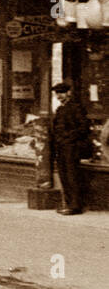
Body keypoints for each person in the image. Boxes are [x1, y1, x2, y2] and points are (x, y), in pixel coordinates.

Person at [51, 81, 93, 215]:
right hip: (61, 147)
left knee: (72, 176)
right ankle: (68, 204)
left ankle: (75, 206)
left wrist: (67, 138)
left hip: (72, 147)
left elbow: (83, 128)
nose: (59, 96)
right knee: (64, 175)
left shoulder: (76, 108)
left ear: (69, 93)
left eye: (62, 93)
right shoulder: (60, 109)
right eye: (57, 94)